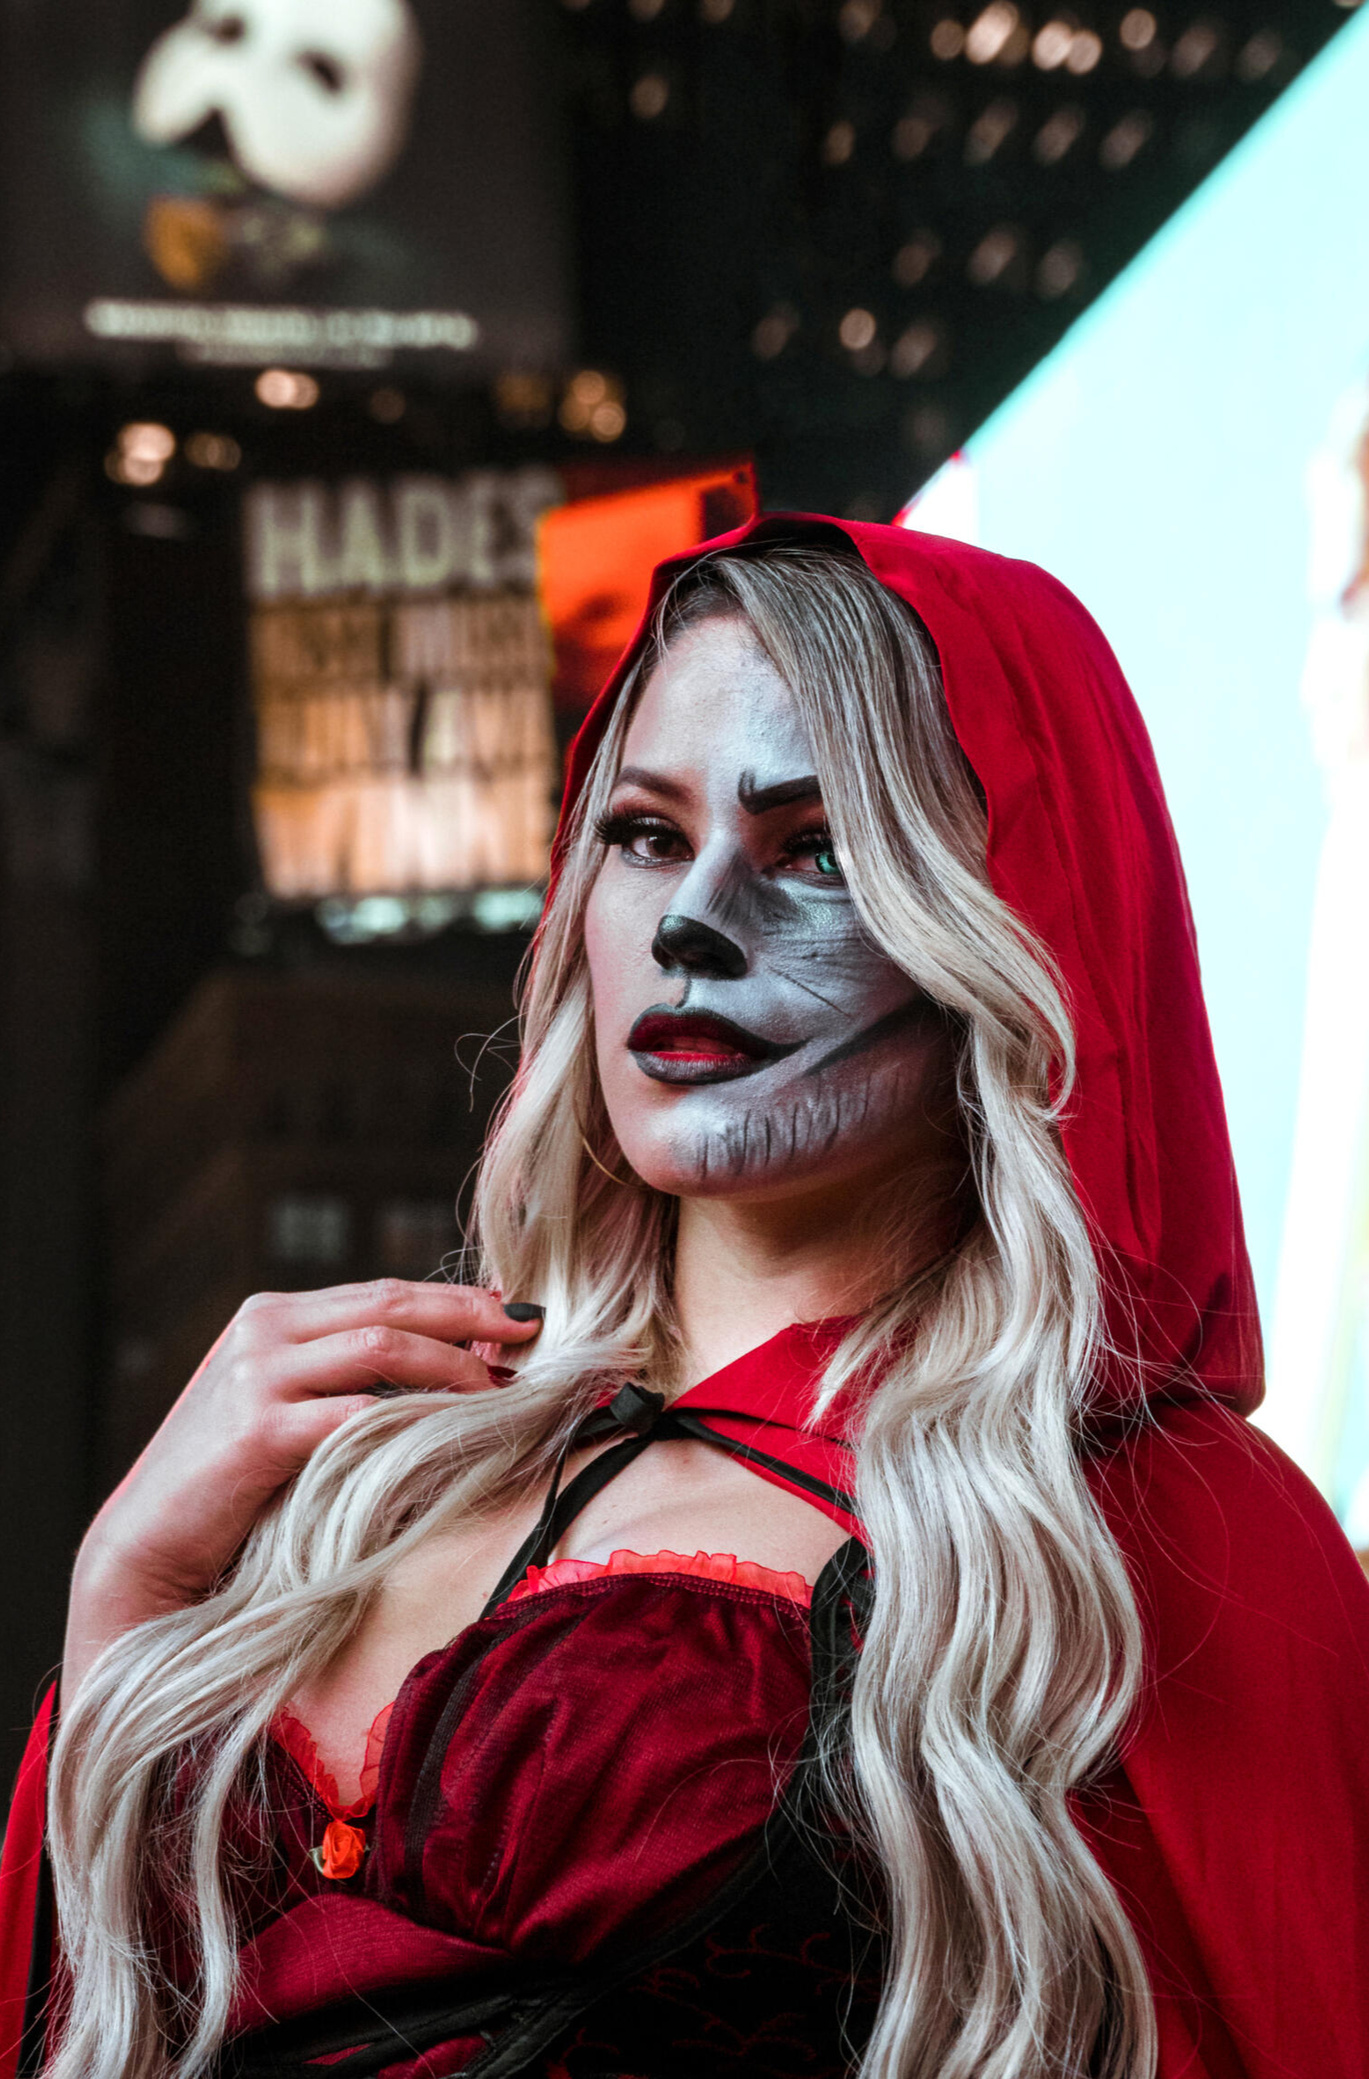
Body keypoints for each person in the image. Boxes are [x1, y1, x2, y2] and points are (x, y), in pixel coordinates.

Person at [4, 515, 1369, 2079]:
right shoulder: (369, 1458)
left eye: (816, 850)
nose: (688, 923)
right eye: (645, 836)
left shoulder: (1147, 1529)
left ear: (1011, 923)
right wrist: (130, 1590)